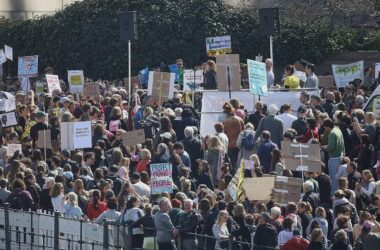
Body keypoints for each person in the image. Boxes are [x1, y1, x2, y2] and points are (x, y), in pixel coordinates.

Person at [321, 118, 345, 196]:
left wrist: (324, 147)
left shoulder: (332, 133)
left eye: (325, 127)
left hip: (334, 159)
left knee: (334, 179)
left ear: (327, 126)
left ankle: (333, 196)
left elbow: (331, 147)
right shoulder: (338, 129)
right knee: (338, 179)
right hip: (340, 157)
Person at [221, 102, 244, 173]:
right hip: (239, 145)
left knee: (232, 164)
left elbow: (224, 135)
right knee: (239, 162)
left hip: (230, 146)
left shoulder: (225, 123)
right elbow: (243, 131)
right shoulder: (240, 120)